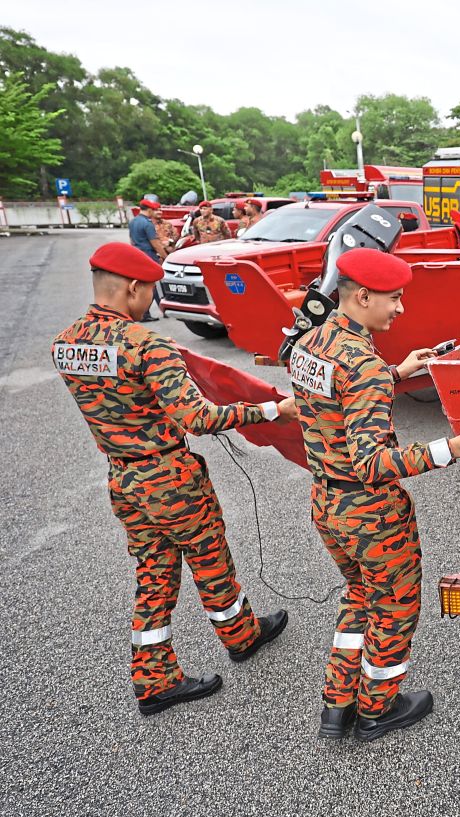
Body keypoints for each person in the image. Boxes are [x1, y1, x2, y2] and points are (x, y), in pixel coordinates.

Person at [51, 243, 297, 715]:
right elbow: (196, 416)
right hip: (169, 476)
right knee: (208, 555)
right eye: (151, 292)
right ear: (133, 287)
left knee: (154, 573)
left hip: (124, 479)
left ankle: (154, 679)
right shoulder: (147, 344)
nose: (152, 303)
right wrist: (271, 408)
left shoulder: (65, 345)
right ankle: (240, 636)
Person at [290, 247, 460, 742]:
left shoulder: (310, 344)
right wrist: (454, 447)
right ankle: (378, 708)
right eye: (394, 299)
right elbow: (371, 463)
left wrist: (398, 372)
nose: (400, 309)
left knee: (359, 596)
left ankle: (337, 704)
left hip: (327, 503)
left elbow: (335, 396)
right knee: (394, 607)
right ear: (362, 296)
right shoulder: (361, 362)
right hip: (371, 516)